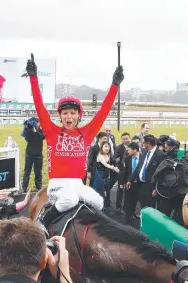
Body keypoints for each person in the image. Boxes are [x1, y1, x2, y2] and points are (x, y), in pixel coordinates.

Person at [26, 53, 124, 213]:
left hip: (78, 183)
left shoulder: (87, 132)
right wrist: (33, 78)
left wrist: (114, 85)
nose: (69, 116)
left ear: (79, 115)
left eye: (72, 113)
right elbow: (39, 105)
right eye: (65, 113)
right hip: (56, 184)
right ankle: (44, 220)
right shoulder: (51, 131)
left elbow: (103, 111)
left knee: (99, 201)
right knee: (69, 199)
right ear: (60, 116)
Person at [125, 135, 163, 224]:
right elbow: (139, 166)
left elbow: (161, 174)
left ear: (148, 143)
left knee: (149, 208)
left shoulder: (160, 155)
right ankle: (141, 223)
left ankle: (149, 227)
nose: (142, 145)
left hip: (150, 186)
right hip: (140, 184)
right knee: (141, 206)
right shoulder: (145, 151)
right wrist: (130, 180)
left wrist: (156, 188)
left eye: (144, 143)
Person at [93, 141, 119, 210]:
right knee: (100, 190)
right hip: (99, 175)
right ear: (102, 147)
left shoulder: (108, 155)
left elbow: (110, 163)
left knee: (107, 189)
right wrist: (113, 168)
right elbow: (105, 164)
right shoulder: (100, 156)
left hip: (106, 175)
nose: (107, 148)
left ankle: (106, 205)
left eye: (108, 146)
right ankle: (99, 206)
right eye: (105, 146)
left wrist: (113, 167)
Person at [21, 118, 45, 191]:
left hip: (38, 155)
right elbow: (28, 139)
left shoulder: (41, 130)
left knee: (38, 172)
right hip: (29, 154)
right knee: (27, 172)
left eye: (38, 123)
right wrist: (28, 129)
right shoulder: (28, 131)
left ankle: (38, 187)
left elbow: (42, 137)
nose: (37, 124)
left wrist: (36, 132)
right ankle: (24, 188)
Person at [114, 133, 131, 214]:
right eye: (123, 139)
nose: (125, 140)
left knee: (128, 189)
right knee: (120, 189)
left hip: (130, 172)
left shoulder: (133, 147)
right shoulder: (119, 147)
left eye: (126, 138)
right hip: (121, 172)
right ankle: (118, 206)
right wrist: (116, 160)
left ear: (129, 138)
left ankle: (126, 206)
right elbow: (114, 157)